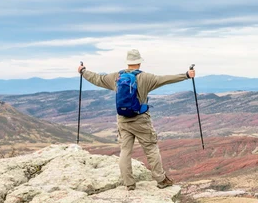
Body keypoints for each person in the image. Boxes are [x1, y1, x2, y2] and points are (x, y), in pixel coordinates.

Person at [78, 49, 195, 190]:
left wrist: (83, 71)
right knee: (151, 148)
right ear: (139, 62)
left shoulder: (116, 77)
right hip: (141, 120)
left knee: (125, 151)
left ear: (128, 62)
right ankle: (161, 179)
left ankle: (129, 184)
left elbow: (97, 79)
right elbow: (165, 79)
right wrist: (186, 75)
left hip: (123, 120)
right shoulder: (146, 78)